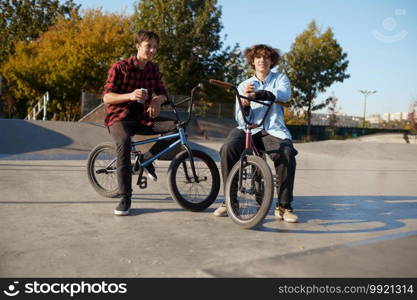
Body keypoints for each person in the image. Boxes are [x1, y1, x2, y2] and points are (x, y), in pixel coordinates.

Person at [214, 44, 299, 223]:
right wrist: (245, 106)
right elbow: (239, 117)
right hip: (249, 128)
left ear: (271, 61)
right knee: (228, 148)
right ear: (252, 61)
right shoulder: (244, 84)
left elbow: (284, 94)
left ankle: (284, 206)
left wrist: (257, 95)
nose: (262, 60)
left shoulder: (280, 78)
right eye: (258, 57)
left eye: (266, 57)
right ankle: (230, 200)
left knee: (286, 153)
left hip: (272, 129)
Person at [103, 30, 176, 216]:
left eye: (155, 47)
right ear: (137, 46)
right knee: (124, 142)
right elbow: (107, 97)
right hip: (120, 117)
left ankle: (145, 159)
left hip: (143, 116)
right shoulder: (120, 67)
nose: (152, 50)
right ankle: (125, 197)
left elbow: (163, 93)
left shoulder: (153, 69)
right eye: (148, 46)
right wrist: (130, 95)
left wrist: (157, 100)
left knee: (176, 128)